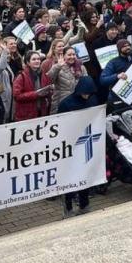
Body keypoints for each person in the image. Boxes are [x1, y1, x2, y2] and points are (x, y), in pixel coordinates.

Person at [56, 76, 99, 217]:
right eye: (84, 93)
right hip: (70, 145)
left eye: (89, 93)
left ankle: (84, 204)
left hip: (86, 144)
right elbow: (60, 125)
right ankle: (68, 207)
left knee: (84, 176)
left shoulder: (92, 100)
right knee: (70, 177)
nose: (86, 96)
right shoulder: (66, 104)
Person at [13, 50, 53, 121]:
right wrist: (36, 94)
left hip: (41, 113)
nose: (37, 61)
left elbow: (47, 92)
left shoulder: (43, 75)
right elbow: (17, 96)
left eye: (38, 59)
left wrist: (49, 90)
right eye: (34, 59)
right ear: (28, 62)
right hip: (26, 115)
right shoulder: (21, 76)